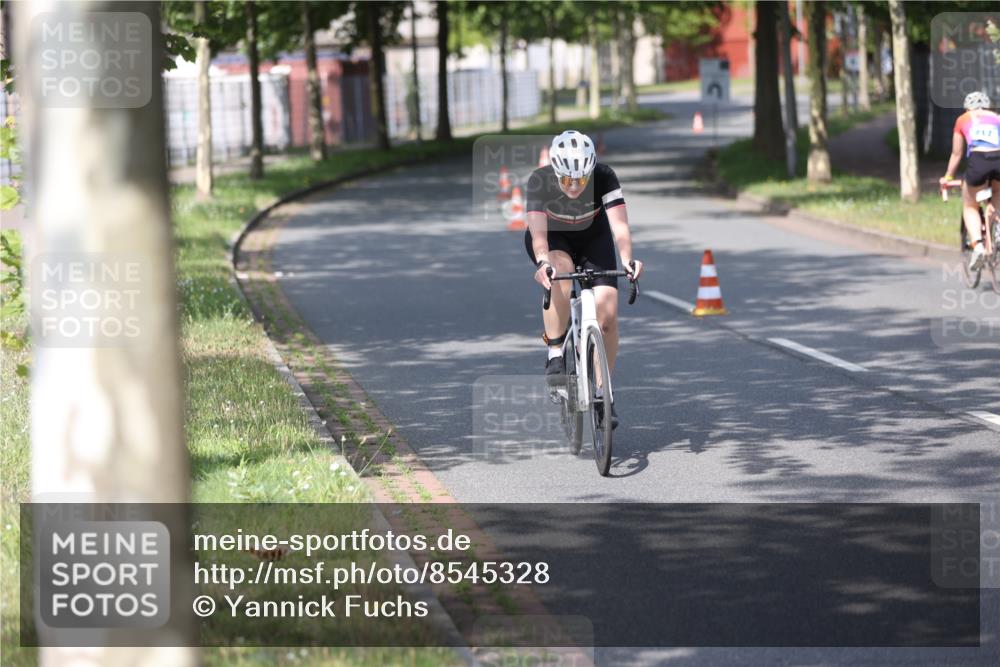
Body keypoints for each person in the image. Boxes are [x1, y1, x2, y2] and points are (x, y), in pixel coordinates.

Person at [523, 130, 643, 429]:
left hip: (593, 237)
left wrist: (628, 258)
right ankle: (554, 352)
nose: (574, 186)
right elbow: (538, 235)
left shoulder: (604, 176)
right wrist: (542, 262)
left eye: (581, 180)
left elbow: (620, 228)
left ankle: (603, 394)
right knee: (560, 272)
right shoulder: (541, 180)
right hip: (554, 237)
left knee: (608, 315)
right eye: (566, 180)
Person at [941, 91, 1000, 272]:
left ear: (967, 108)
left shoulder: (963, 119)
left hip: (978, 161)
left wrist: (948, 177)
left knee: (970, 205)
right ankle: (998, 230)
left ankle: (979, 248)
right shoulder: (997, 118)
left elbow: (957, 153)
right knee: (998, 194)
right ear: (988, 106)